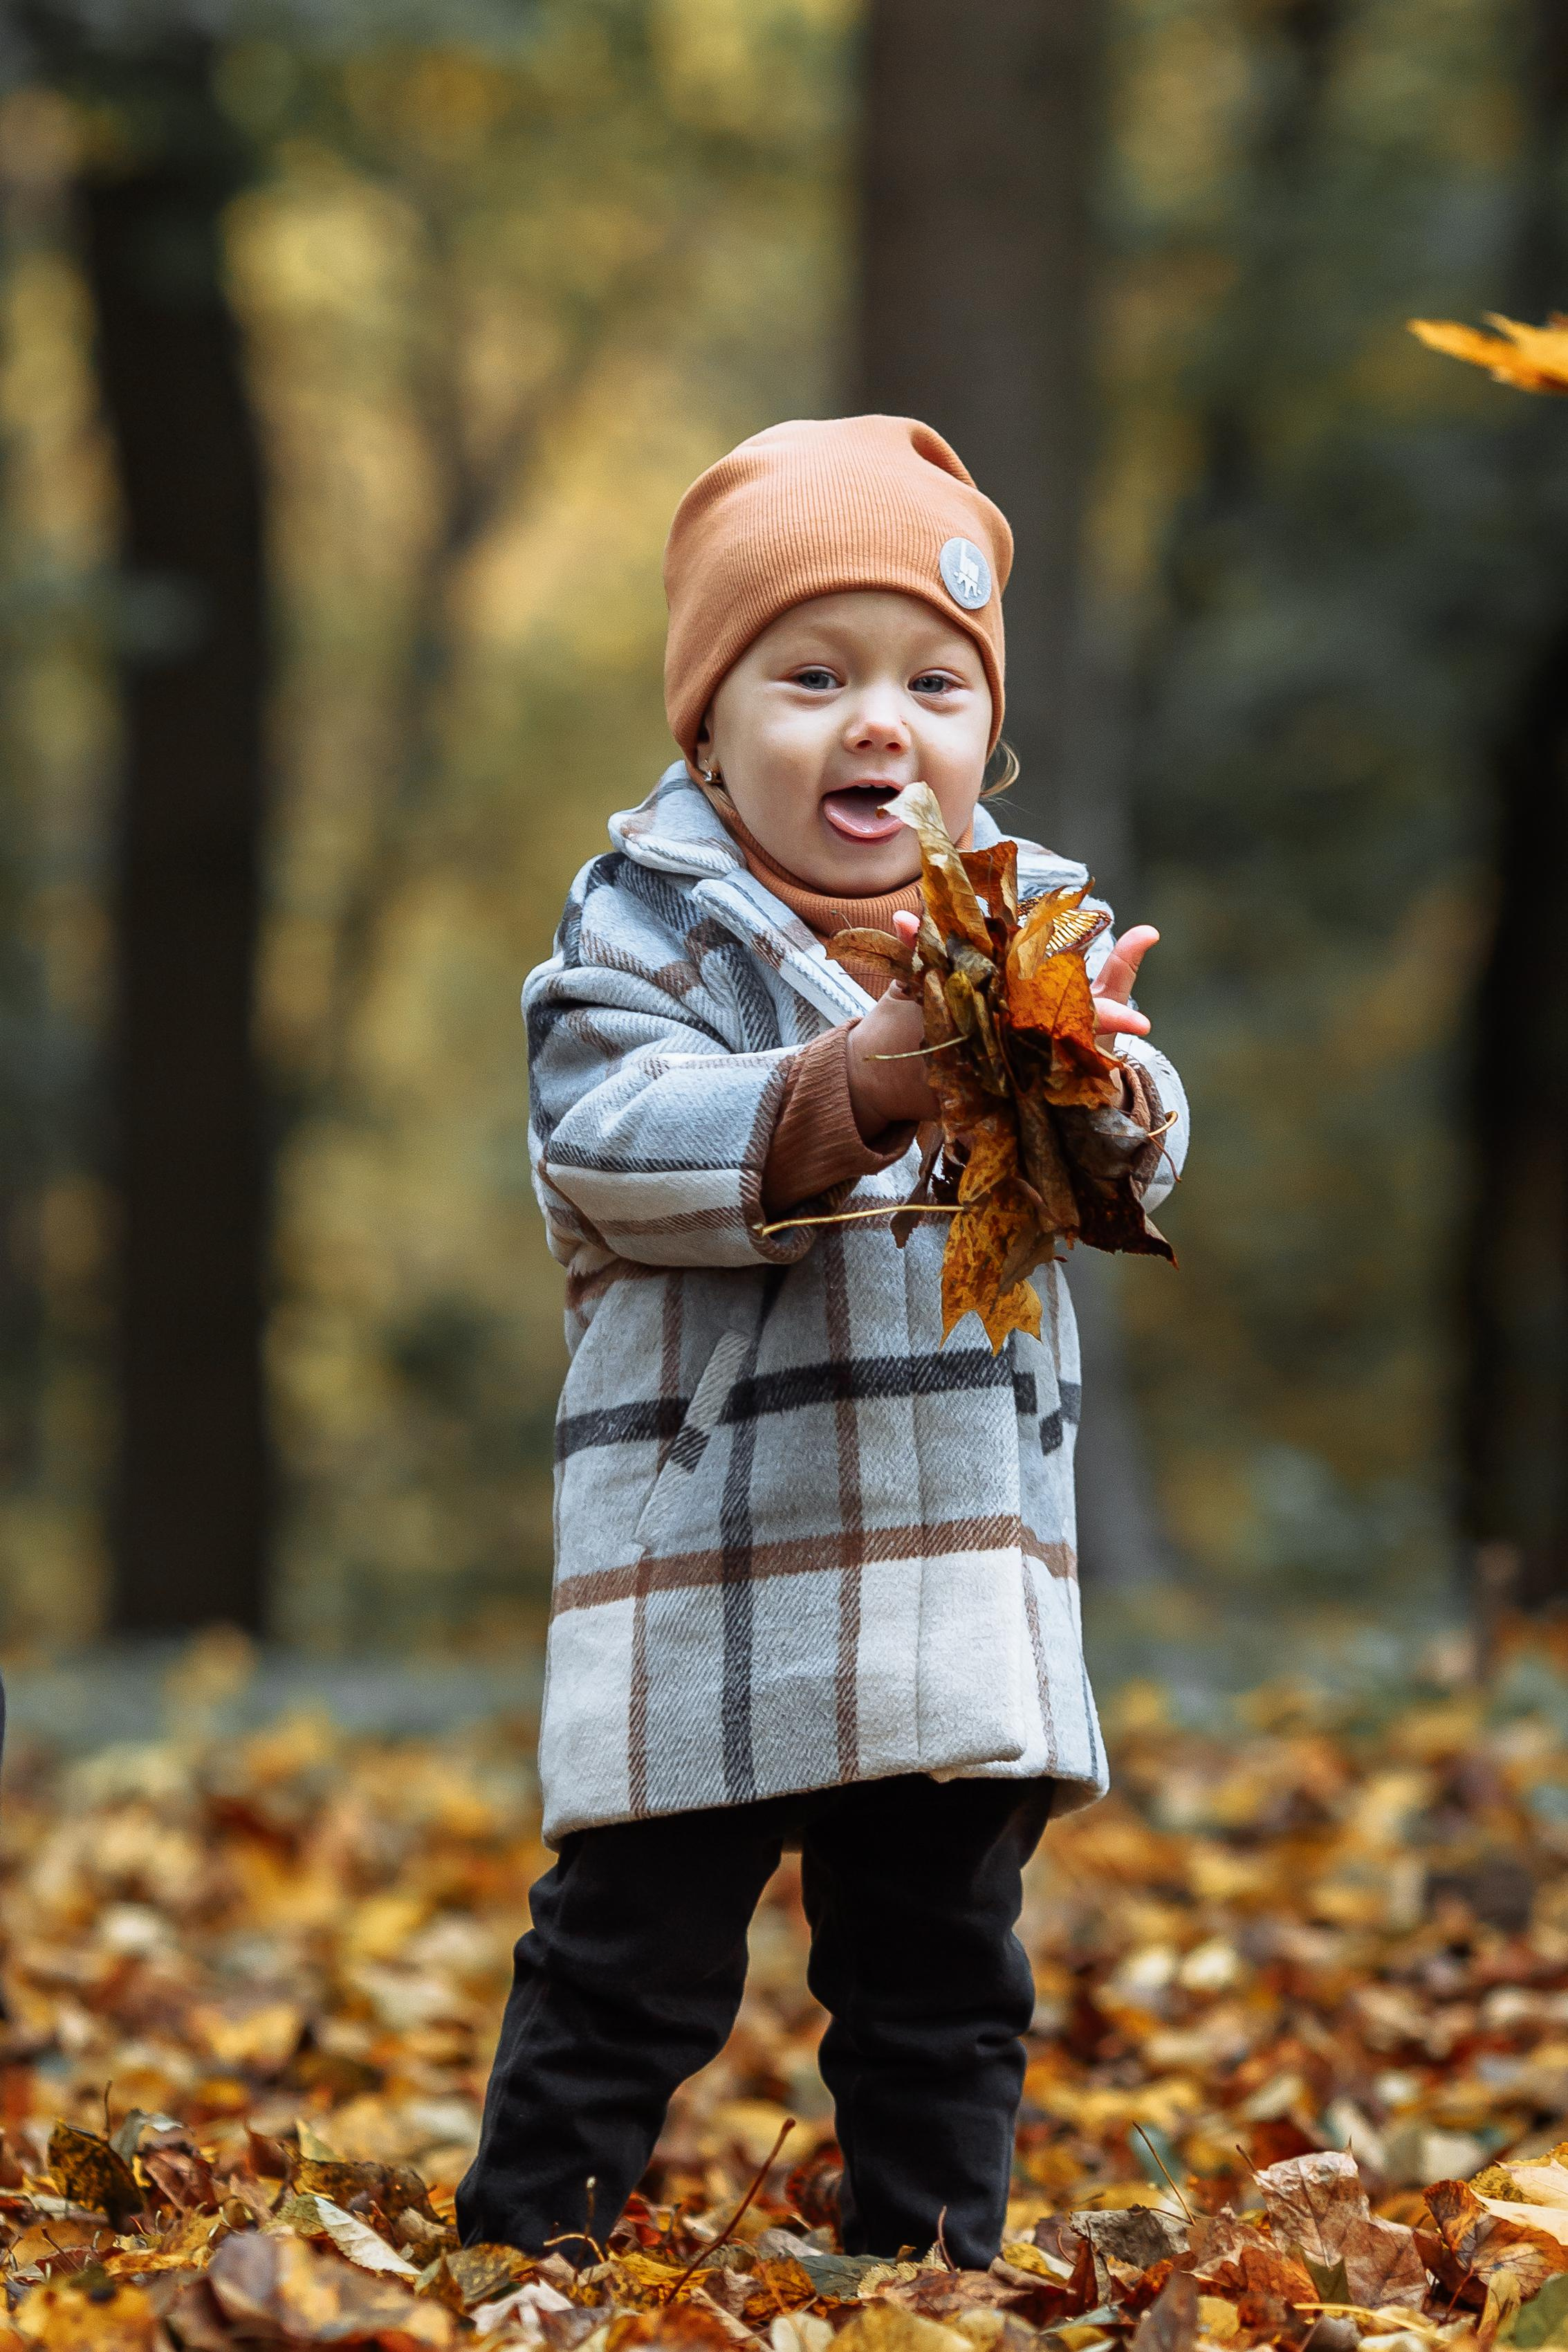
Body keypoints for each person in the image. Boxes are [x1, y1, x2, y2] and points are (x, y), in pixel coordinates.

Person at [458, 416, 1188, 2268]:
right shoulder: (636, 935)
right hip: (716, 1550)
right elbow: (607, 1148)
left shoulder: (1021, 925)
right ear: (707, 727)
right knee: (631, 1959)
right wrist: (853, 1084)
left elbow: (1141, 1155)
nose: (882, 724)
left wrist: (1100, 1082)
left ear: (985, 733)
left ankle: (930, 2271)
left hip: (950, 1565)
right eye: (812, 676)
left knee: (938, 1973)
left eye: (934, 685)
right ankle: (524, 2250)